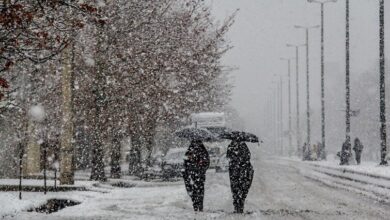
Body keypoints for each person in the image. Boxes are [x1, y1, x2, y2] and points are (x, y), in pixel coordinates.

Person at [182, 139, 210, 212]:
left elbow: (206, 162)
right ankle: (197, 205)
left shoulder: (201, 151)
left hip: (197, 174)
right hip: (195, 174)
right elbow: (186, 162)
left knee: (198, 190)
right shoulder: (192, 151)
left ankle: (198, 205)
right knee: (197, 190)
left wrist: (200, 167)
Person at [227, 140, 254, 214]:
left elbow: (228, 157)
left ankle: (238, 207)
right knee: (241, 190)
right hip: (240, 172)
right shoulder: (243, 146)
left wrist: (237, 162)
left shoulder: (232, 146)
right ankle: (239, 206)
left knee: (237, 190)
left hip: (237, 172)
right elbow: (248, 157)